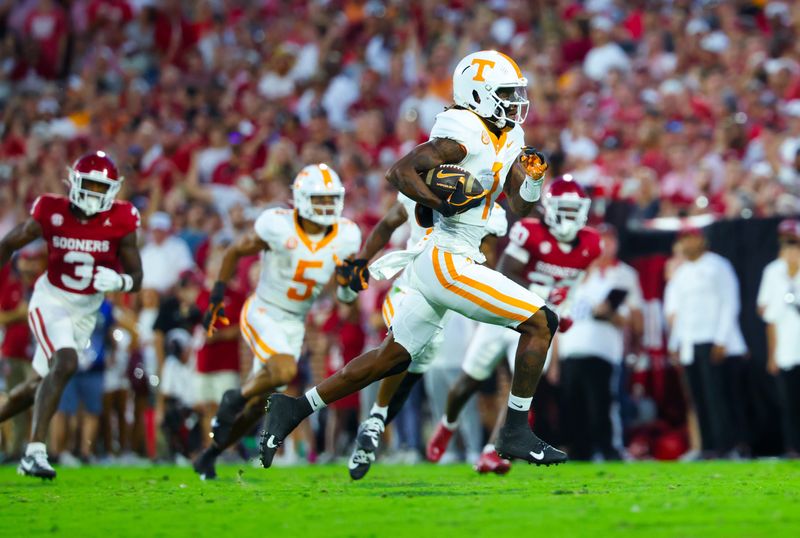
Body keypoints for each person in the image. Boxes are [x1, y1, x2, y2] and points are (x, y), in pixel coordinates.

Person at [259, 50, 564, 470]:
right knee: (541, 321)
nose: (515, 102)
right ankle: (514, 430)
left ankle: (293, 408)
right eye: (507, 93)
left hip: (443, 260)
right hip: (447, 258)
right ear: (478, 94)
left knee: (391, 358)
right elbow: (400, 172)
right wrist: (443, 202)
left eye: (517, 93)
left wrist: (532, 181)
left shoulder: (509, 136)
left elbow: (521, 207)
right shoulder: (462, 130)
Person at [192, 163, 361, 480]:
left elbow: (346, 302)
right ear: (300, 199)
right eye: (319, 199)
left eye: (330, 199)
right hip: (264, 311)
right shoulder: (276, 224)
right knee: (285, 371)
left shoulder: (347, 236)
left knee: (259, 405)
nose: (326, 206)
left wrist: (350, 288)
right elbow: (233, 253)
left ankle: (210, 455)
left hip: (295, 322)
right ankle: (234, 398)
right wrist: (216, 298)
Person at [425, 176, 602, 474]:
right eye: (564, 209)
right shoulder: (528, 232)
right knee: (468, 382)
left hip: (537, 328)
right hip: (507, 318)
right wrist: (547, 302)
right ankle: (447, 424)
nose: (570, 217)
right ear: (548, 208)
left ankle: (491, 452)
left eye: (575, 210)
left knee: (521, 391)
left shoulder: (590, 243)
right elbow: (507, 272)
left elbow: (572, 283)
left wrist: (565, 307)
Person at [345, 191, 507, 479]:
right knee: (399, 365)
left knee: (419, 384)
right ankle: (373, 428)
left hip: (455, 311)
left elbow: (490, 257)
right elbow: (387, 223)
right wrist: (362, 261)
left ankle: (377, 425)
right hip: (418, 294)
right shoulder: (419, 196)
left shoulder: (482, 209)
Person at [0, 151, 142, 479]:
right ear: (74, 183)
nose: (93, 193)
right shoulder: (52, 210)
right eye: (88, 184)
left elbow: (137, 278)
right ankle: (34, 453)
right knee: (65, 363)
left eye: (100, 186)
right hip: (51, 299)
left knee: (39, 384)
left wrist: (121, 280)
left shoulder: (123, 219)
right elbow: (8, 244)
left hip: (86, 311)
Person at [555, 224, 644, 461]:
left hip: (602, 349)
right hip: (570, 348)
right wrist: (552, 359)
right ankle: (579, 451)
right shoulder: (572, 275)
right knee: (573, 406)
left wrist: (608, 314)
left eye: (609, 241)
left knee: (602, 404)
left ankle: (610, 448)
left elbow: (631, 319)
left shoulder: (622, 275)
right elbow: (557, 318)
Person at [664, 227, 747, 459]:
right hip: (690, 342)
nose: (686, 245)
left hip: (713, 340)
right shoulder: (681, 273)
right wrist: (674, 344)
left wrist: (722, 338)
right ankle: (708, 446)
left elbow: (730, 302)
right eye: (683, 240)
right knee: (699, 398)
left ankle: (729, 446)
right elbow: (678, 313)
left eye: (690, 239)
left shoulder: (718, 265)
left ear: (700, 240)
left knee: (719, 397)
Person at [757, 219, 800, 457]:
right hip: (786, 347)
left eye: (794, 244)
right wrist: (772, 355)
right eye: (786, 244)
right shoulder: (773, 271)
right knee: (789, 404)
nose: (790, 250)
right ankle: (793, 447)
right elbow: (765, 313)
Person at [0, 244, 45, 459]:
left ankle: (36, 449)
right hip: (12, 352)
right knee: (13, 400)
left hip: (37, 354)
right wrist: (20, 314)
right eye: (25, 260)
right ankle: (14, 449)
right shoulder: (10, 286)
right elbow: (1, 317)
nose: (29, 264)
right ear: (18, 262)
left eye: (33, 260)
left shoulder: (43, 286)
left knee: (37, 401)